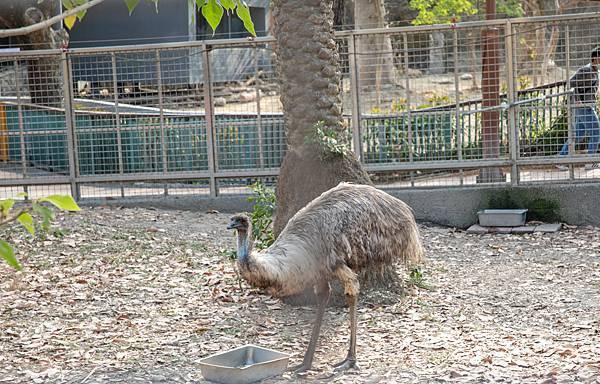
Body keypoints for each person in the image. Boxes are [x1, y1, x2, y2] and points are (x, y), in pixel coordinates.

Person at [557, 46, 600, 171]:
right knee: (597, 131)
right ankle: (590, 162)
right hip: (584, 107)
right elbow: (571, 83)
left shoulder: (595, 71)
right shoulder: (586, 70)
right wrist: (577, 100)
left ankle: (560, 160)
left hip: (587, 105)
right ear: (596, 58)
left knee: (578, 135)